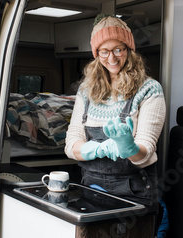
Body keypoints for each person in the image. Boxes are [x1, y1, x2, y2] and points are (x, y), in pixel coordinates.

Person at [65, 14, 166, 211]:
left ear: (129, 50)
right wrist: (95, 149)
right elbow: (71, 145)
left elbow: (146, 151)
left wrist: (129, 148)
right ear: (96, 54)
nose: (111, 58)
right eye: (104, 52)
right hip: (91, 186)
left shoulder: (149, 89)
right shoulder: (86, 91)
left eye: (118, 49)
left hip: (134, 190)